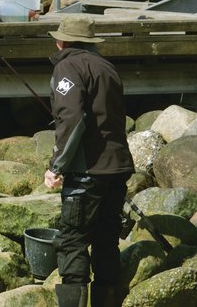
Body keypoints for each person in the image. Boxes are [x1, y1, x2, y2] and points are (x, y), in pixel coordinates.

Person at [43, 15, 134, 307]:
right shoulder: (107, 66)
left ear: (63, 41)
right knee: (107, 240)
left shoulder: (66, 66)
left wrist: (57, 166)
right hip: (118, 167)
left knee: (72, 241)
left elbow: (72, 120)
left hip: (87, 171)